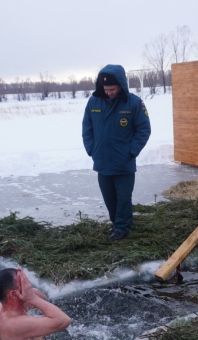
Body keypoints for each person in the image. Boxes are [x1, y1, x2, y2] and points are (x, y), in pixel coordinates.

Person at [82, 64, 151, 241]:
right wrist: (91, 149)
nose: (109, 92)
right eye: (106, 89)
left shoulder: (134, 103)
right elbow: (87, 127)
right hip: (102, 162)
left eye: (112, 89)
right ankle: (118, 223)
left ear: (121, 85)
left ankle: (122, 228)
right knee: (110, 198)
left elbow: (144, 129)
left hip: (124, 163)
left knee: (123, 198)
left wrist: (132, 151)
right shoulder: (94, 102)